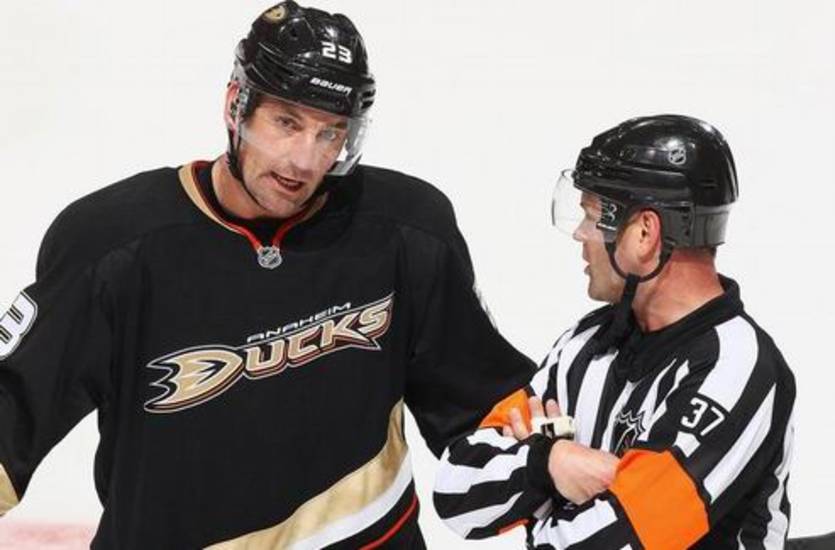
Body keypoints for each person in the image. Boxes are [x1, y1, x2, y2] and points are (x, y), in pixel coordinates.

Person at [0, 2, 535, 548]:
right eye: (287, 122)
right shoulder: (113, 247)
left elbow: (485, 407)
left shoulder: (407, 232)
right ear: (236, 105)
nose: (304, 160)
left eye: (330, 133)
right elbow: (13, 410)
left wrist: (552, 467)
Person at [434, 115, 796, 549]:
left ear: (645, 233)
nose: (579, 234)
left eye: (591, 216)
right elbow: (456, 490)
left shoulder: (737, 369)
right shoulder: (582, 346)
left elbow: (620, 540)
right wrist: (550, 463)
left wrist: (533, 478)